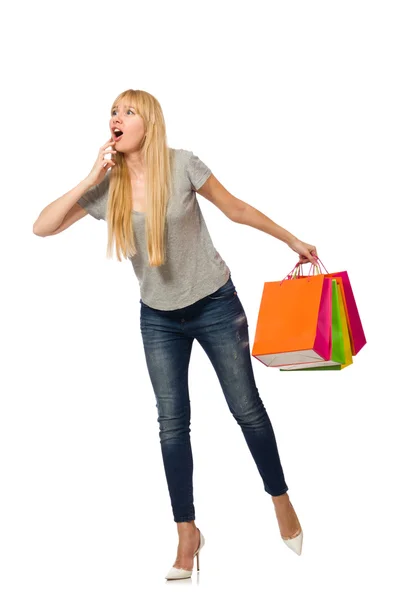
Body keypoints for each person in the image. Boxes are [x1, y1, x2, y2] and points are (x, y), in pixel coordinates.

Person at [33, 89, 318, 581]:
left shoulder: (183, 164)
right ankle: (187, 532)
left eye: (126, 112)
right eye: (112, 112)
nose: (114, 119)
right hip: (159, 318)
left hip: (214, 302)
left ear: (148, 123)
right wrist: (90, 176)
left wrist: (291, 238)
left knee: (245, 407)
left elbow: (237, 209)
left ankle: (281, 499)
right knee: (171, 423)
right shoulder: (110, 187)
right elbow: (43, 227)